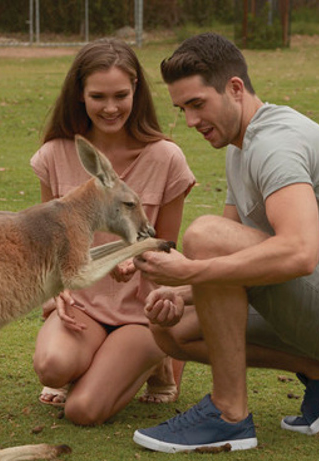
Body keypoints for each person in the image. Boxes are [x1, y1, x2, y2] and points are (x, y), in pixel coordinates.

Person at [131, 32, 319, 452]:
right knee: (171, 332)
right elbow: (223, 269)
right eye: (182, 108)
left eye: (197, 104)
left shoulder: (275, 143)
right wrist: (180, 293)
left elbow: (298, 252)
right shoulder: (240, 147)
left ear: (235, 89)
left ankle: (229, 414)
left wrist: (190, 270)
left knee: (204, 234)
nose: (189, 121)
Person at [31, 38, 196, 426]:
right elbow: (48, 245)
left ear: (136, 91)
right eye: (98, 96)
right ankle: (94, 363)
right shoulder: (56, 153)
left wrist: (133, 261)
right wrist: (60, 291)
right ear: (80, 95)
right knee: (52, 367)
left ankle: (159, 361)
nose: (110, 107)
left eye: (120, 95)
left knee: (83, 411)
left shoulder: (165, 158)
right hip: (84, 304)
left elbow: (165, 249)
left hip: (140, 310)